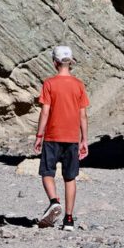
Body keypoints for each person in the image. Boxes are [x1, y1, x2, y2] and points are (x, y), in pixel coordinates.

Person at [33, 44, 89, 231]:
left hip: (52, 136)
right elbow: (83, 115)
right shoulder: (79, 85)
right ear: (70, 62)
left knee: (47, 173)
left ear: (55, 62)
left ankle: (54, 201)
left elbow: (45, 112)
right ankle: (69, 220)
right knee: (70, 178)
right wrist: (84, 139)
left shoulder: (49, 83)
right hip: (72, 137)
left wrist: (39, 135)